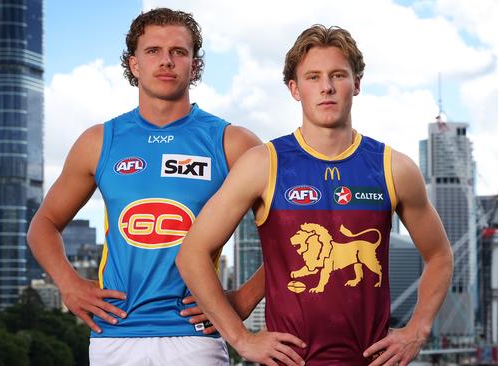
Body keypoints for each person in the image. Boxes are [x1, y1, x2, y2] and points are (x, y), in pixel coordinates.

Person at [27, 8, 292, 365]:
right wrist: (69, 284)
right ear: (134, 64)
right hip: (115, 334)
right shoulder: (99, 141)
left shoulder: (232, 143)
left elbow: (295, 231)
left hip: (195, 337)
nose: (166, 62)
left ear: (194, 65)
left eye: (178, 52)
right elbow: (43, 225)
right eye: (153, 51)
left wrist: (244, 299)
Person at [176, 24, 454, 366]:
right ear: (294, 88)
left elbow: (440, 256)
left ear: (357, 84)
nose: (326, 88)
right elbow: (192, 253)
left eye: (338, 75)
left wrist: (417, 330)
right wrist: (241, 339)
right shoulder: (263, 164)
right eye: (313, 77)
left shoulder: (394, 168)